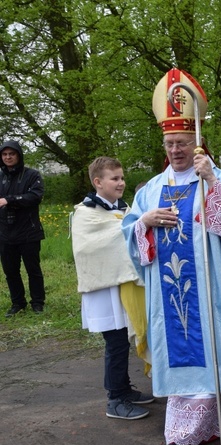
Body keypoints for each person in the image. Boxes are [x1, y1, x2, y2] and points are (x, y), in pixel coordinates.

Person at [122, 68, 221, 445]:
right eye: (170, 143)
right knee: (186, 350)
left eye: (183, 143)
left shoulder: (219, 178)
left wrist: (213, 186)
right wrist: (144, 222)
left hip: (216, 292)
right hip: (174, 299)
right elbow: (128, 233)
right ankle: (186, 430)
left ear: (197, 143)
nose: (176, 150)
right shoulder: (151, 190)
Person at [71, 156, 154, 420]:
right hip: (104, 289)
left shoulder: (124, 209)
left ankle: (124, 390)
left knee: (122, 340)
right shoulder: (86, 213)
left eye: (122, 177)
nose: (121, 183)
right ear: (98, 182)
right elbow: (90, 247)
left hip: (123, 286)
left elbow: (130, 235)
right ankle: (115, 399)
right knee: (115, 343)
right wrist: (138, 224)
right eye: (114, 178)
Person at [0, 140, 45, 316]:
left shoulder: (32, 175)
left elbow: (35, 196)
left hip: (29, 231)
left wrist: (9, 200)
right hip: (5, 232)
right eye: (4, 154)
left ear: (18, 155)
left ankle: (38, 302)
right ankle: (17, 303)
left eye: (11, 154)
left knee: (33, 269)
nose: (8, 157)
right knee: (10, 271)